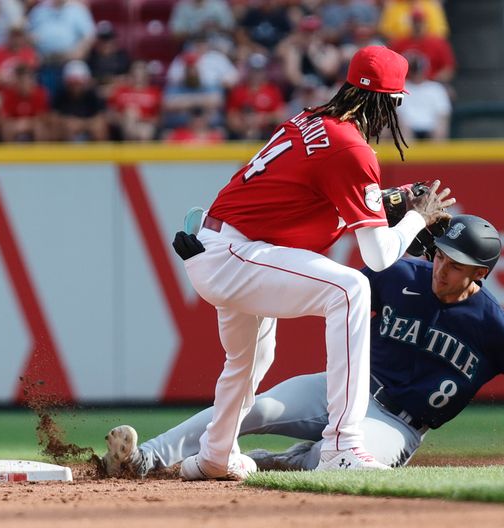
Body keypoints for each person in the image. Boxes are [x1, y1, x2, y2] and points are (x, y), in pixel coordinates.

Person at [102, 45, 455, 481]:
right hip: (237, 255)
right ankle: (343, 445)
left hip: (222, 247)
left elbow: (307, 205)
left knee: (249, 360)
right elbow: (379, 256)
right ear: (389, 101)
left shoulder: (311, 119)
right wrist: (417, 216)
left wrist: (390, 203)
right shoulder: (352, 148)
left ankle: (215, 455)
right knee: (351, 290)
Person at [101, 214, 504, 477]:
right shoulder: (403, 273)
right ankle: (141, 458)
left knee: (321, 462)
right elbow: (328, 292)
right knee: (247, 407)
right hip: (343, 388)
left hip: (397, 425)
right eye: (441, 256)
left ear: (481, 273)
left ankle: (255, 463)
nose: (441, 268)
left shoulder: (494, 324)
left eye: (455, 265)